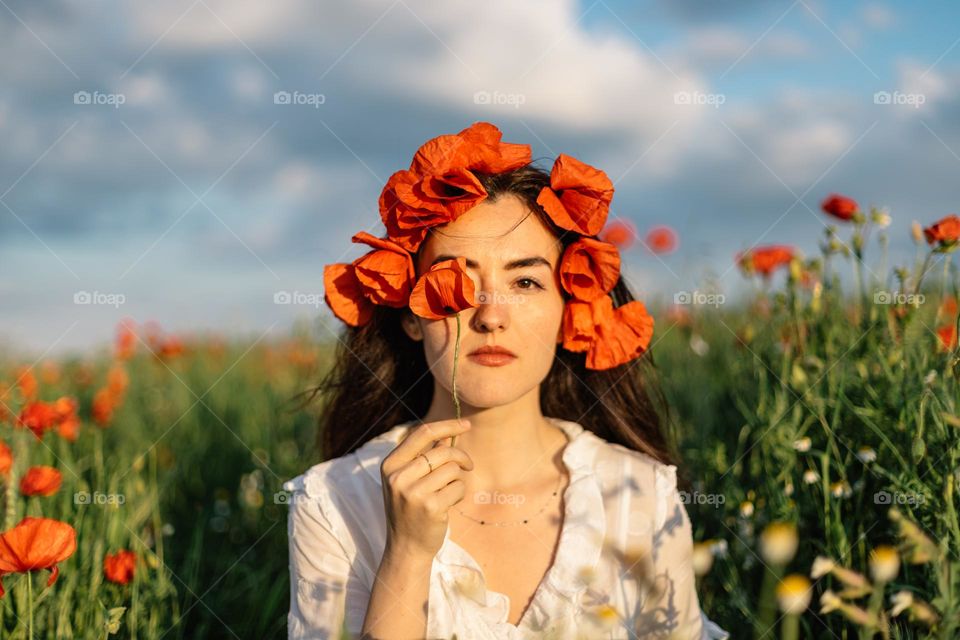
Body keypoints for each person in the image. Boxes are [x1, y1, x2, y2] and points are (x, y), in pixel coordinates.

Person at [285, 122, 729, 639]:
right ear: (410, 314)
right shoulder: (334, 502)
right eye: (456, 280)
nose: (491, 315)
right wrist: (406, 555)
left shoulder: (640, 495)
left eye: (525, 281)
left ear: (569, 307)